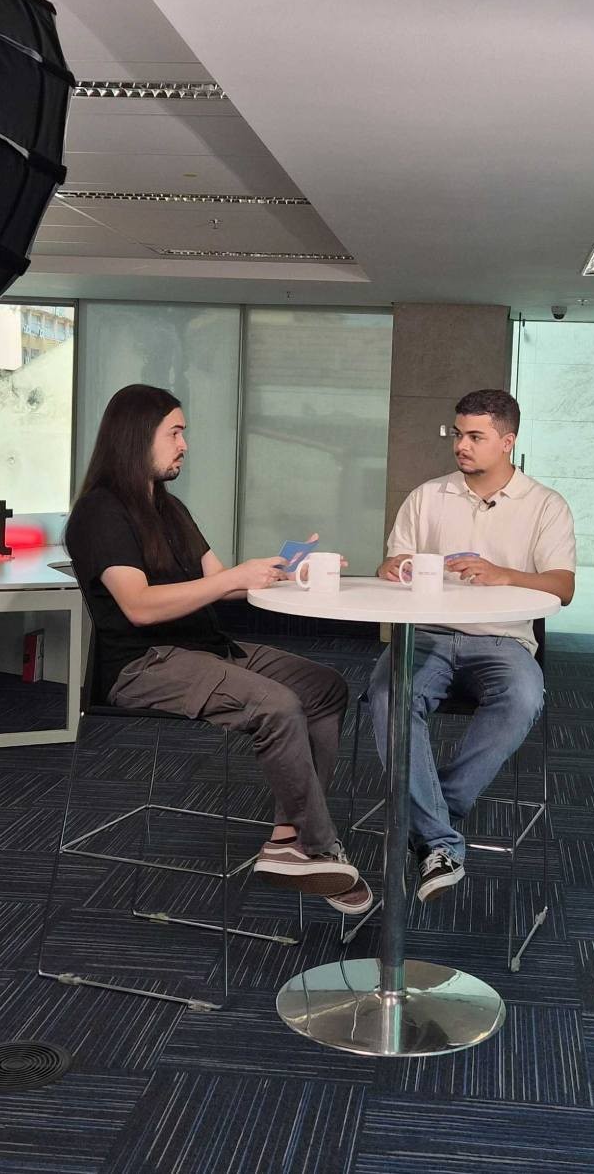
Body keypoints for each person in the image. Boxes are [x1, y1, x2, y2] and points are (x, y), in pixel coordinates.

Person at [66, 384, 372, 915]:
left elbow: (220, 583)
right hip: (143, 663)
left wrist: (282, 573)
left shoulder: (170, 509)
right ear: (137, 437)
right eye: (175, 433)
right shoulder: (100, 513)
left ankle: (288, 838)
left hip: (206, 649)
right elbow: (139, 606)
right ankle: (317, 846)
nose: (184, 445)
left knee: (325, 687)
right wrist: (233, 577)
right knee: (278, 706)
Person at [369, 388, 575, 901]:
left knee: (524, 696)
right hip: (427, 635)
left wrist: (503, 574)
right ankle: (439, 838)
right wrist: (393, 567)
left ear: (507, 441)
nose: (461, 445)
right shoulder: (427, 496)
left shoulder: (545, 505)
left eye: (475, 436)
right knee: (389, 694)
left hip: (503, 641)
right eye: (458, 434)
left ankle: (431, 815)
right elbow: (390, 563)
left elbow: (563, 586)